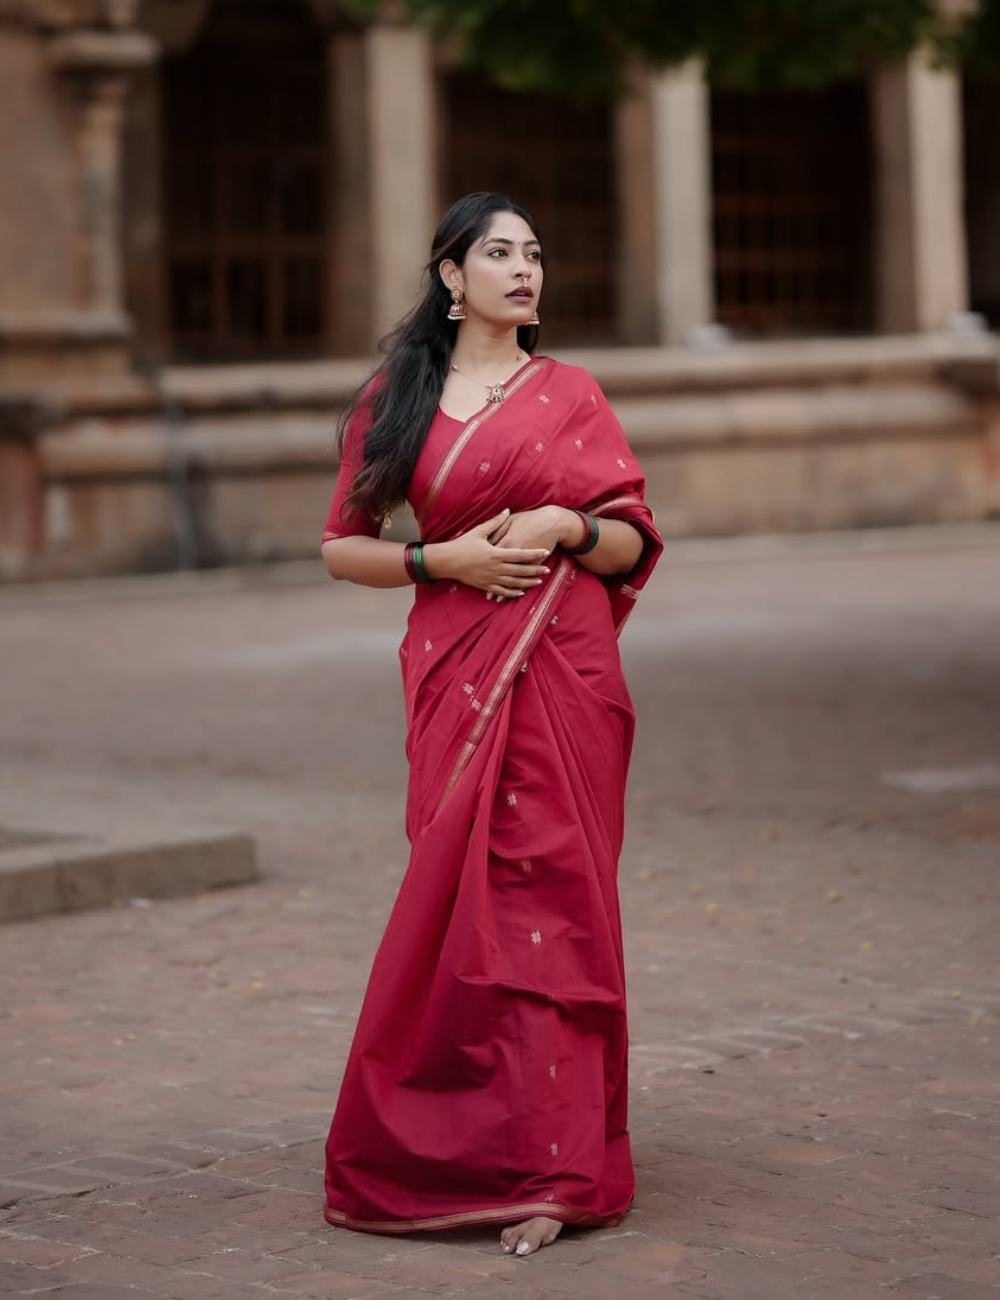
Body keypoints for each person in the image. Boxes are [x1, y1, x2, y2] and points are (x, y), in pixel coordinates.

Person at [320, 191, 663, 1258]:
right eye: (500, 252)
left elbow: (632, 540)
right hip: (455, 669)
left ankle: (558, 1164)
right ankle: (457, 1146)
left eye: (535, 253)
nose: (524, 269)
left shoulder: (570, 394)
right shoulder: (396, 400)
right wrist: (443, 560)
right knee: (462, 912)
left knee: (555, 903)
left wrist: (568, 522)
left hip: (564, 672)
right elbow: (343, 546)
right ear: (450, 276)